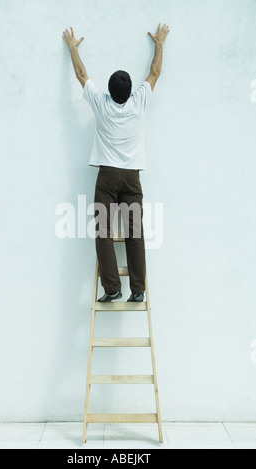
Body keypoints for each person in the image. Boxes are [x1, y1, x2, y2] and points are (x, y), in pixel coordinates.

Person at [63, 23, 170, 303]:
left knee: (103, 232)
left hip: (108, 177)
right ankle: (138, 289)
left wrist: (73, 49)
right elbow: (155, 72)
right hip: (132, 178)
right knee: (135, 234)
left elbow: (81, 74)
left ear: (110, 91)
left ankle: (112, 288)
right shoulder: (139, 102)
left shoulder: (101, 103)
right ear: (130, 91)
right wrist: (159, 44)